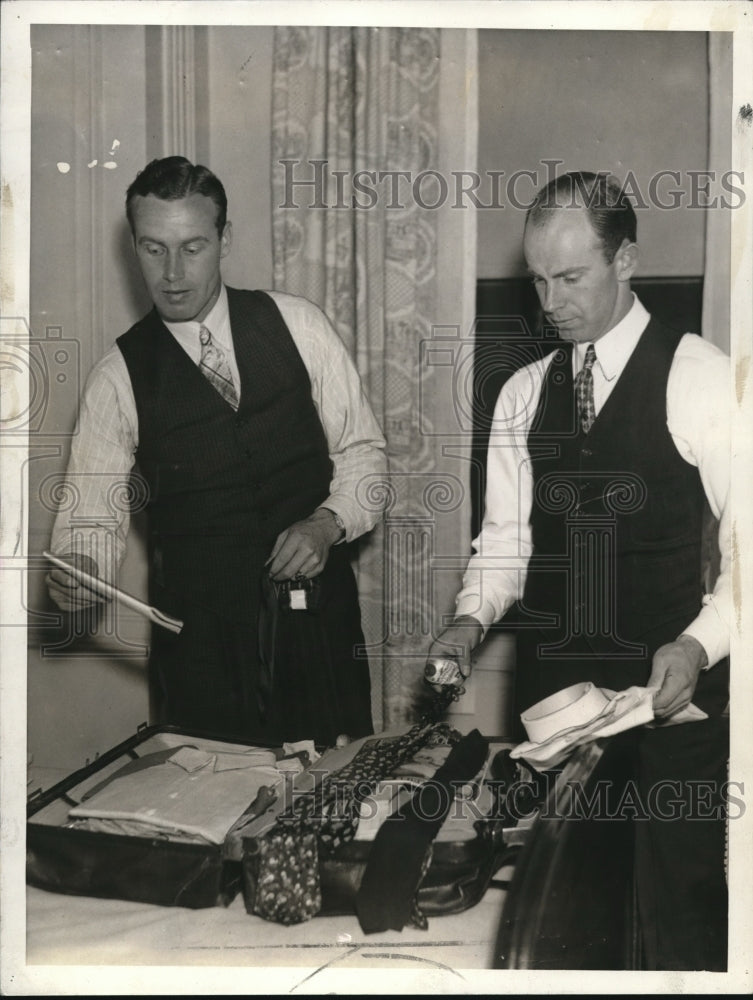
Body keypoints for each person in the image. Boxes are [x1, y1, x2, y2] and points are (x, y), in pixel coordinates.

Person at [427, 171, 730, 971]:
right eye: (536, 279)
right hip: (558, 710)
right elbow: (504, 544)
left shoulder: (700, 376)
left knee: (675, 931)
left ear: (624, 260)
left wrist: (696, 645)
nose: (549, 301)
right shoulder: (522, 394)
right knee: (563, 922)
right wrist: (468, 619)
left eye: (570, 278)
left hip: (673, 709)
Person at [48, 156, 387, 748]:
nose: (173, 274)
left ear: (225, 240)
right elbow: (87, 524)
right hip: (201, 660)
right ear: (133, 246)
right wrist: (79, 572)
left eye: (193, 247)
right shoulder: (116, 377)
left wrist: (326, 525)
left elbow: (364, 457)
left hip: (320, 640)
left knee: (340, 812)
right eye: (154, 249)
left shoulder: (300, 326)